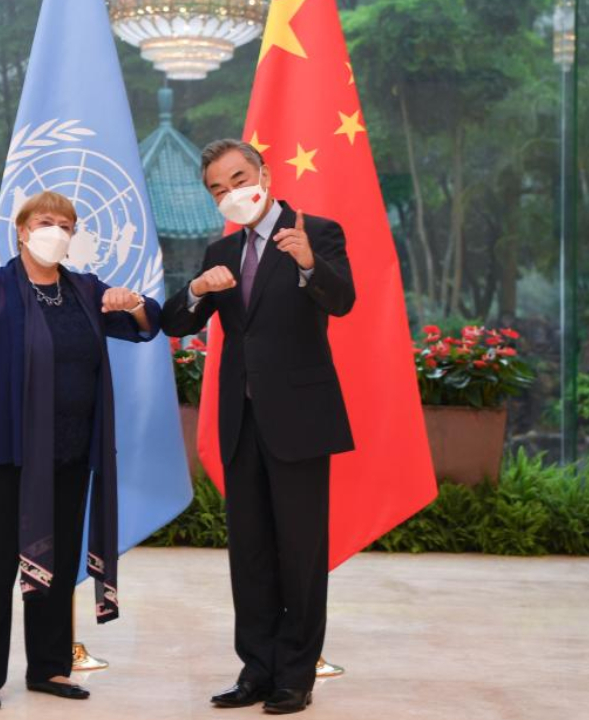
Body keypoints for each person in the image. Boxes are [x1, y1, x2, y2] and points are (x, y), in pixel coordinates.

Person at [161, 139, 356, 715]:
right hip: (240, 422)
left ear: (264, 174)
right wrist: (198, 289)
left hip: (299, 419)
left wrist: (306, 264)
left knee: (300, 553)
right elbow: (177, 320)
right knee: (249, 554)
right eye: (218, 189)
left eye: (238, 179)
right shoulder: (219, 248)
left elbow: (343, 301)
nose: (230, 194)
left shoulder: (315, 231)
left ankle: (295, 676)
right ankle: (257, 669)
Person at [0, 190, 160, 711]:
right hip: (5, 454)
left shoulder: (85, 289)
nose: (56, 232)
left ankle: (49, 668)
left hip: (69, 454)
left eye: (66, 225)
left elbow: (148, 324)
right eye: (46, 222)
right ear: (22, 231)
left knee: (58, 565)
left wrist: (130, 302)